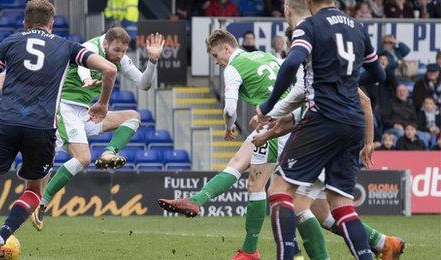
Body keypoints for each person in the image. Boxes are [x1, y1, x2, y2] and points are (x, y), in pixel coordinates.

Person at [0, 1, 118, 259]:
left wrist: (0, 84)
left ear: (24, 23)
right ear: (51, 23)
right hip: (42, 129)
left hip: (5, 124)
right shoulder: (67, 46)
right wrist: (103, 104)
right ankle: (1, 236)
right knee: (33, 191)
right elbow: (110, 68)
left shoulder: (9, 43)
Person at [249, 1, 404, 259]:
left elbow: (291, 64)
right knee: (341, 204)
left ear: (309, 2)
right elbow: (378, 73)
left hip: (323, 117)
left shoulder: (309, 26)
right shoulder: (357, 27)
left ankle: (288, 256)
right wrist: (346, 80)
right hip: (353, 122)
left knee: (279, 189)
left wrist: (267, 105)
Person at [157, 28, 305, 260]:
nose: (217, 62)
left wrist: (229, 126)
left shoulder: (234, 67)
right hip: (289, 120)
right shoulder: (265, 55)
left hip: (274, 127)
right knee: (237, 163)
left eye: (216, 56)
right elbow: (293, 81)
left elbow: (229, 109)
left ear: (227, 48)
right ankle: (196, 201)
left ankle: (250, 250)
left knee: (259, 186)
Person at [31, 27, 163, 231]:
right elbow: (84, 67)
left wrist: (152, 61)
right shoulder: (89, 47)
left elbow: (144, 84)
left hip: (84, 113)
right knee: (80, 158)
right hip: (64, 107)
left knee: (133, 117)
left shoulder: (119, 59)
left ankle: (109, 153)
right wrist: (86, 80)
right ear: (106, 44)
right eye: (117, 50)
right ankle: (41, 203)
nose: (120, 55)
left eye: (123, 51)